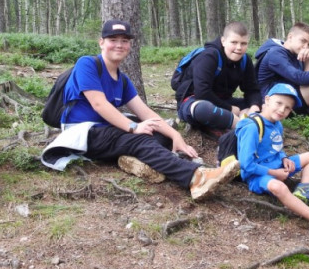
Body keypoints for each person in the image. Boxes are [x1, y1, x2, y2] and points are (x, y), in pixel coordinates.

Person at [41, 20, 239, 201]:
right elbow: (99, 104)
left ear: (130, 45)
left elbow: (145, 112)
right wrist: (133, 127)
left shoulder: (122, 80)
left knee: (159, 135)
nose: (119, 45)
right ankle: (196, 178)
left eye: (124, 41)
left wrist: (175, 136)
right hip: (84, 132)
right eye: (113, 40)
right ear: (101, 42)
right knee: (139, 138)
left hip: (106, 131)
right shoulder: (87, 64)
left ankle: (133, 160)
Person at [235, 83, 309, 242]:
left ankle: (305, 190)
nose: (282, 110)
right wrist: (274, 173)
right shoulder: (252, 127)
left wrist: (284, 158)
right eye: (279, 103)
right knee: (279, 187)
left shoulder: (277, 124)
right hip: (258, 174)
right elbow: (246, 165)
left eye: (287, 108)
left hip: (277, 165)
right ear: (267, 100)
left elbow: (277, 147)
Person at [175, 21, 262, 134]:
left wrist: (254, 108)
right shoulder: (209, 56)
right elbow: (202, 93)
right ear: (223, 41)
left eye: (243, 43)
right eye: (234, 42)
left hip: (222, 100)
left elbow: (252, 90)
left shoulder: (245, 60)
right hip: (194, 100)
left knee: (262, 105)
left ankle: (238, 121)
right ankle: (243, 127)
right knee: (204, 109)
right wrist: (230, 109)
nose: (239, 48)